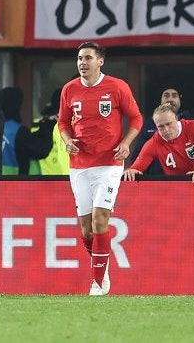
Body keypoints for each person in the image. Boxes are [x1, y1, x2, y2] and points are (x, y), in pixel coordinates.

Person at [59, 42, 142, 296]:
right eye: (79, 58)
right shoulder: (69, 89)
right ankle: (101, 267)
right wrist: (67, 141)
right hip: (79, 165)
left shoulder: (117, 87)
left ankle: (97, 284)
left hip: (109, 163)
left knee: (100, 219)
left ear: (100, 61)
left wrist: (126, 144)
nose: (82, 63)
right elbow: (63, 122)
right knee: (86, 230)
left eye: (87, 58)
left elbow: (136, 118)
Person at [123, 105, 194, 182]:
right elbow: (137, 167)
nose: (166, 130)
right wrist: (131, 171)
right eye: (161, 126)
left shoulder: (193, 127)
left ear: (176, 119)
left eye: (169, 124)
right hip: (179, 190)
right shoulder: (154, 143)